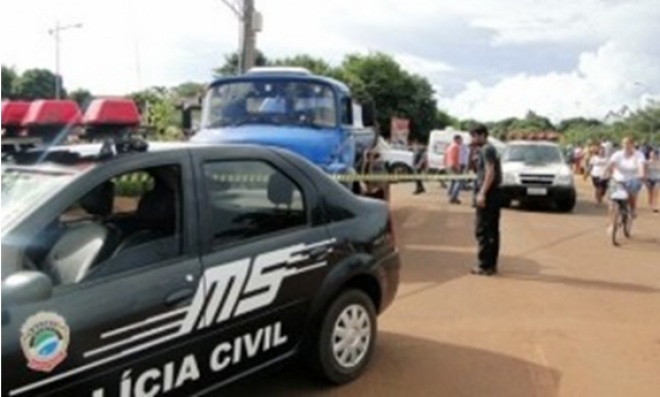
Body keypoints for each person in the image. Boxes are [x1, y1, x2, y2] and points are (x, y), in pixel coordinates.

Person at [470, 124, 502, 276]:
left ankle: (485, 265)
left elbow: (490, 171)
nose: (473, 139)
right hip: (493, 194)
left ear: (482, 135)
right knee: (492, 231)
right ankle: (491, 264)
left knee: (483, 230)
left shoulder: (487, 149)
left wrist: (482, 193)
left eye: (475, 136)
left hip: (489, 194)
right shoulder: (489, 149)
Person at [603, 137, 646, 234]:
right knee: (611, 201)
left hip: (633, 178)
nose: (627, 146)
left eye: (629, 144)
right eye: (624, 144)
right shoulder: (617, 154)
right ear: (622, 145)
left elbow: (641, 166)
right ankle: (612, 224)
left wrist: (642, 174)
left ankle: (633, 209)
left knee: (632, 192)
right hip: (618, 178)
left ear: (633, 145)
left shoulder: (639, 155)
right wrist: (604, 173)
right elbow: (610, 164)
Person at [445, 135, 462, 204]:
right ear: (456, 139)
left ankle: (449, 194)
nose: (461, 141)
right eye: (460, 140)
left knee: (452, 181)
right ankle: (453, 197)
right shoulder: (456, 147)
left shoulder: (449, 146)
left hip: (449, 165)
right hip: (453, 166)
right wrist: (457, 167)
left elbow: (445, 156)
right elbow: (455, 158)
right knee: (458, 181)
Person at [645, 149, 660, 213]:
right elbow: (645, 171)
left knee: (656, 193)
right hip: (649, 179)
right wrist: (645, 179)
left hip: (657, 179)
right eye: (651, 154)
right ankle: (650, 204)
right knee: (650, 193)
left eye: (653, 154)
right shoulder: (647, 162)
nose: (652, 155)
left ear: (656, 155)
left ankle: (655, 205)